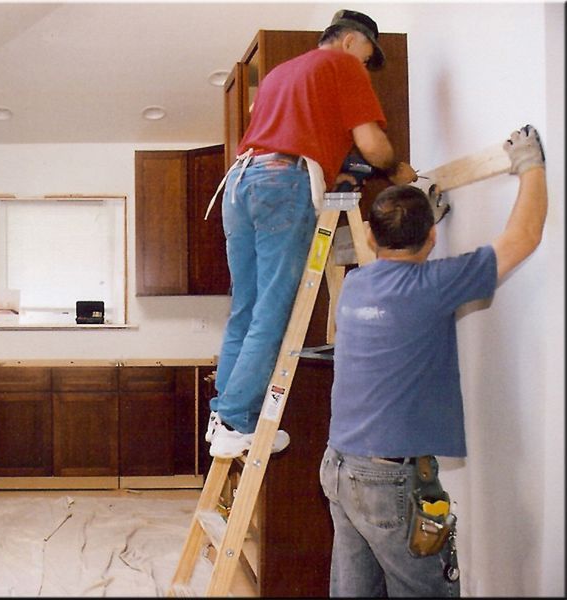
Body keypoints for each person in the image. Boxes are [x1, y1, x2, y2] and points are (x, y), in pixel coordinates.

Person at [319, 125, 547, 597]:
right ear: (432, 239)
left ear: (370, 235)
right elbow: (523, 236)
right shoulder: (432, 286)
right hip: (388, 480)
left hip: (339, 466)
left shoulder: (359, 285)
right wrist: (531, 164)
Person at [207, 8, 417, 458]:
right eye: (366, 56)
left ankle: (224, 415)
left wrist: (334, 173)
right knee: (273, 311)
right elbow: (373, 146)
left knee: (245, 306)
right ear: (349, 41)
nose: (364, 66)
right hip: (282, 181)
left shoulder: (281, 73)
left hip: (240, 182)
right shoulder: (342, 64)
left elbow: (295, 134)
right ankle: (238, 419)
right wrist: (396, 169)